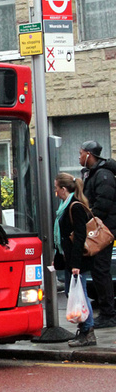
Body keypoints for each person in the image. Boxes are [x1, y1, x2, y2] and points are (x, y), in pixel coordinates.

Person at [54, 172, 97, 347]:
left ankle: (88, 331)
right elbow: (63, 237)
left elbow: (79, 237)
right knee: (72, 294)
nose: (55, 191)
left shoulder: (75, 207)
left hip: (76, 261)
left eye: (56, 187)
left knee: (80, 295)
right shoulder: (65, 206)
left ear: (63, 189)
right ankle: (85, 329)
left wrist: (76, 264)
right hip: (70, 259)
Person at [79, 140, 116, 328]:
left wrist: (89, 220)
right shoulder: (93, 174)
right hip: (101, 227)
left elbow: (103, 204)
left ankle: (109, 313)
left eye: (81, 154)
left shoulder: (102, 175)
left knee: (101, 270)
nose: (79, 157)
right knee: (98, 270)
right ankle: (107, 311)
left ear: (89, 154)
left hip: (104, 230)